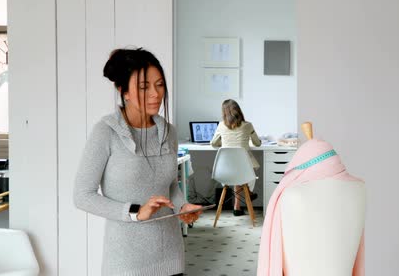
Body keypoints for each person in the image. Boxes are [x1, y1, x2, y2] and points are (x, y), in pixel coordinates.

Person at [74, 48, 203, 276]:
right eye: (144, 87)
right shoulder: (106, 132)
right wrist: (135, 212)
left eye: (160, 84)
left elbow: (170, 185)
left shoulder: (168, 132)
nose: (155, 93)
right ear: (124, 91)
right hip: (126, 263)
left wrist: (183, 206)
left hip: (171, 256)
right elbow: (82, 196)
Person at [211, 99, 261, 216]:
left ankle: (237, 207)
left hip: (226, 169)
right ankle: (248, 193)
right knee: (241, 170)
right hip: (244, 168)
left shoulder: (221, 125)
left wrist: (223, 144)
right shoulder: (248, 125)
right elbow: (257, 143)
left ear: (224, 113)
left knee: (235, 171)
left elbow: (213, 143)